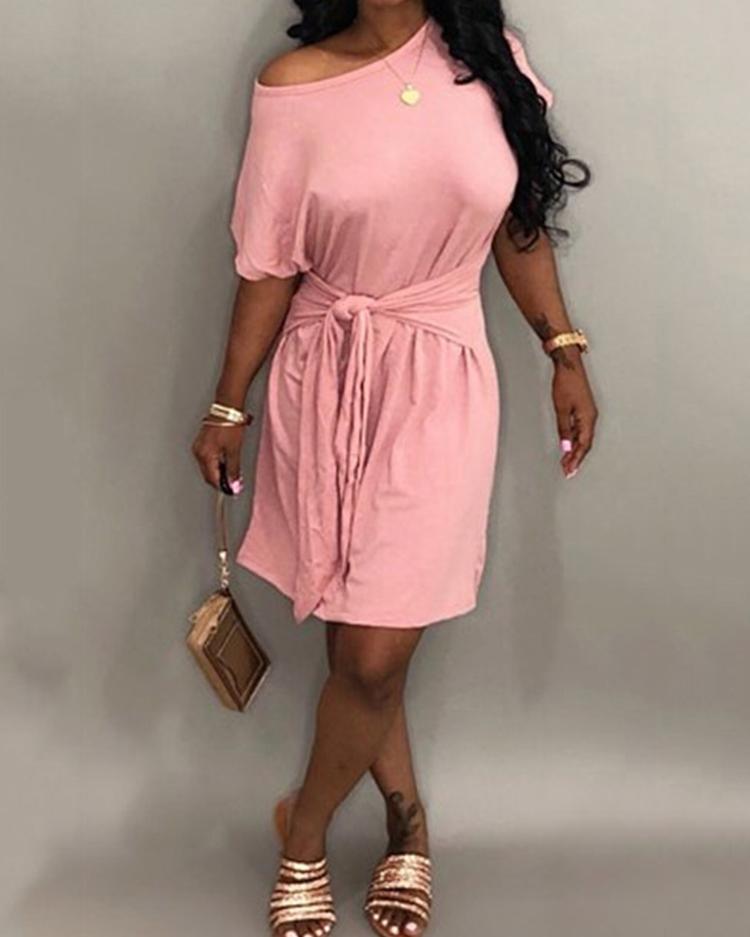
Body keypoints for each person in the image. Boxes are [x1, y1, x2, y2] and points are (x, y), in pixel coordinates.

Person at [191, 2, 597, 935]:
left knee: (376, 649)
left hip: (441, 381)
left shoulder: (488, 62)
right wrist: (227, 403)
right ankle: (409, 823)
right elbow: (269, 266)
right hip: (326, 376)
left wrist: (564, 349)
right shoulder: (293, 88)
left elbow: (517, 225)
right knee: (354, 638)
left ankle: (303, 829)